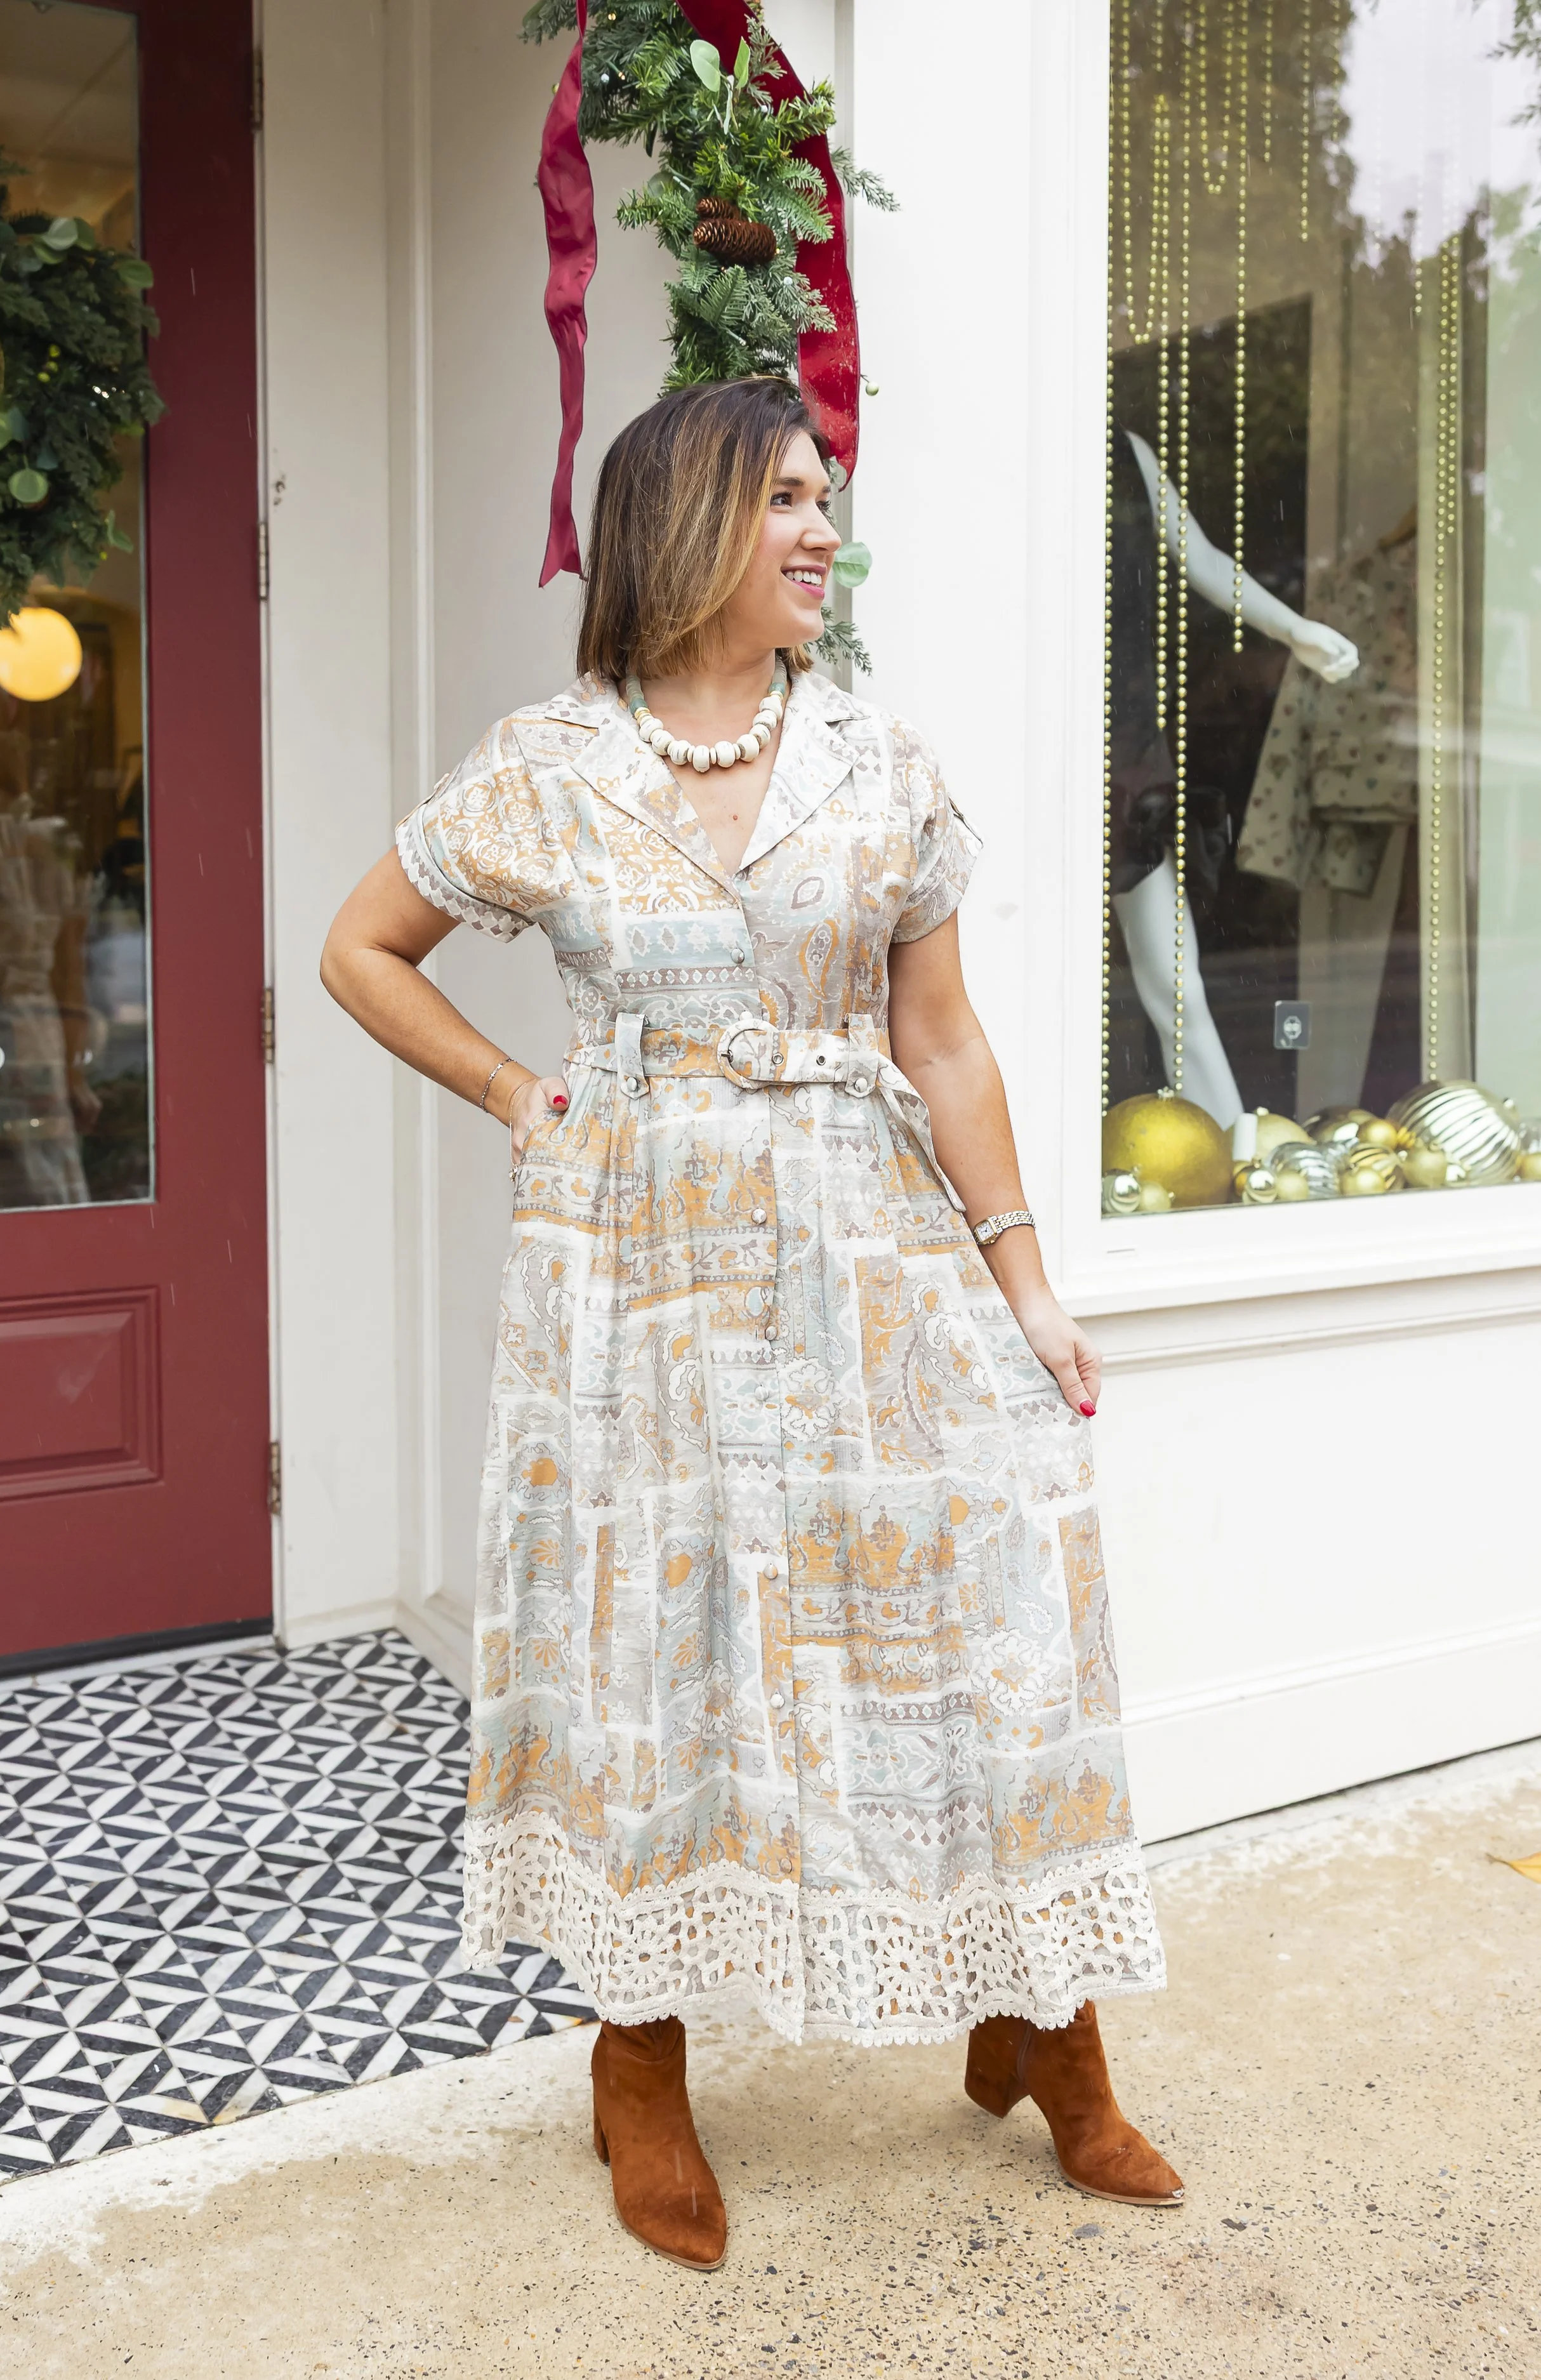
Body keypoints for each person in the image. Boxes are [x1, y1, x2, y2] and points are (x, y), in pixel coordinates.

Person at [322, 376, 1180, 2271]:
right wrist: (510, 1091)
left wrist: (1025, 1286)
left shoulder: (879, 758)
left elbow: (939, 1038)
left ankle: (1041, 2020)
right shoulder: (544, 762)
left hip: (871, 1254)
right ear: (687, 520)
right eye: (787, 499)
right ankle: (638, 2058)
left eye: (828, 501)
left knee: (978, 1618)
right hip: (629, 1275)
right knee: (657, 1648)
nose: (821, 534)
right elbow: (358, 948)